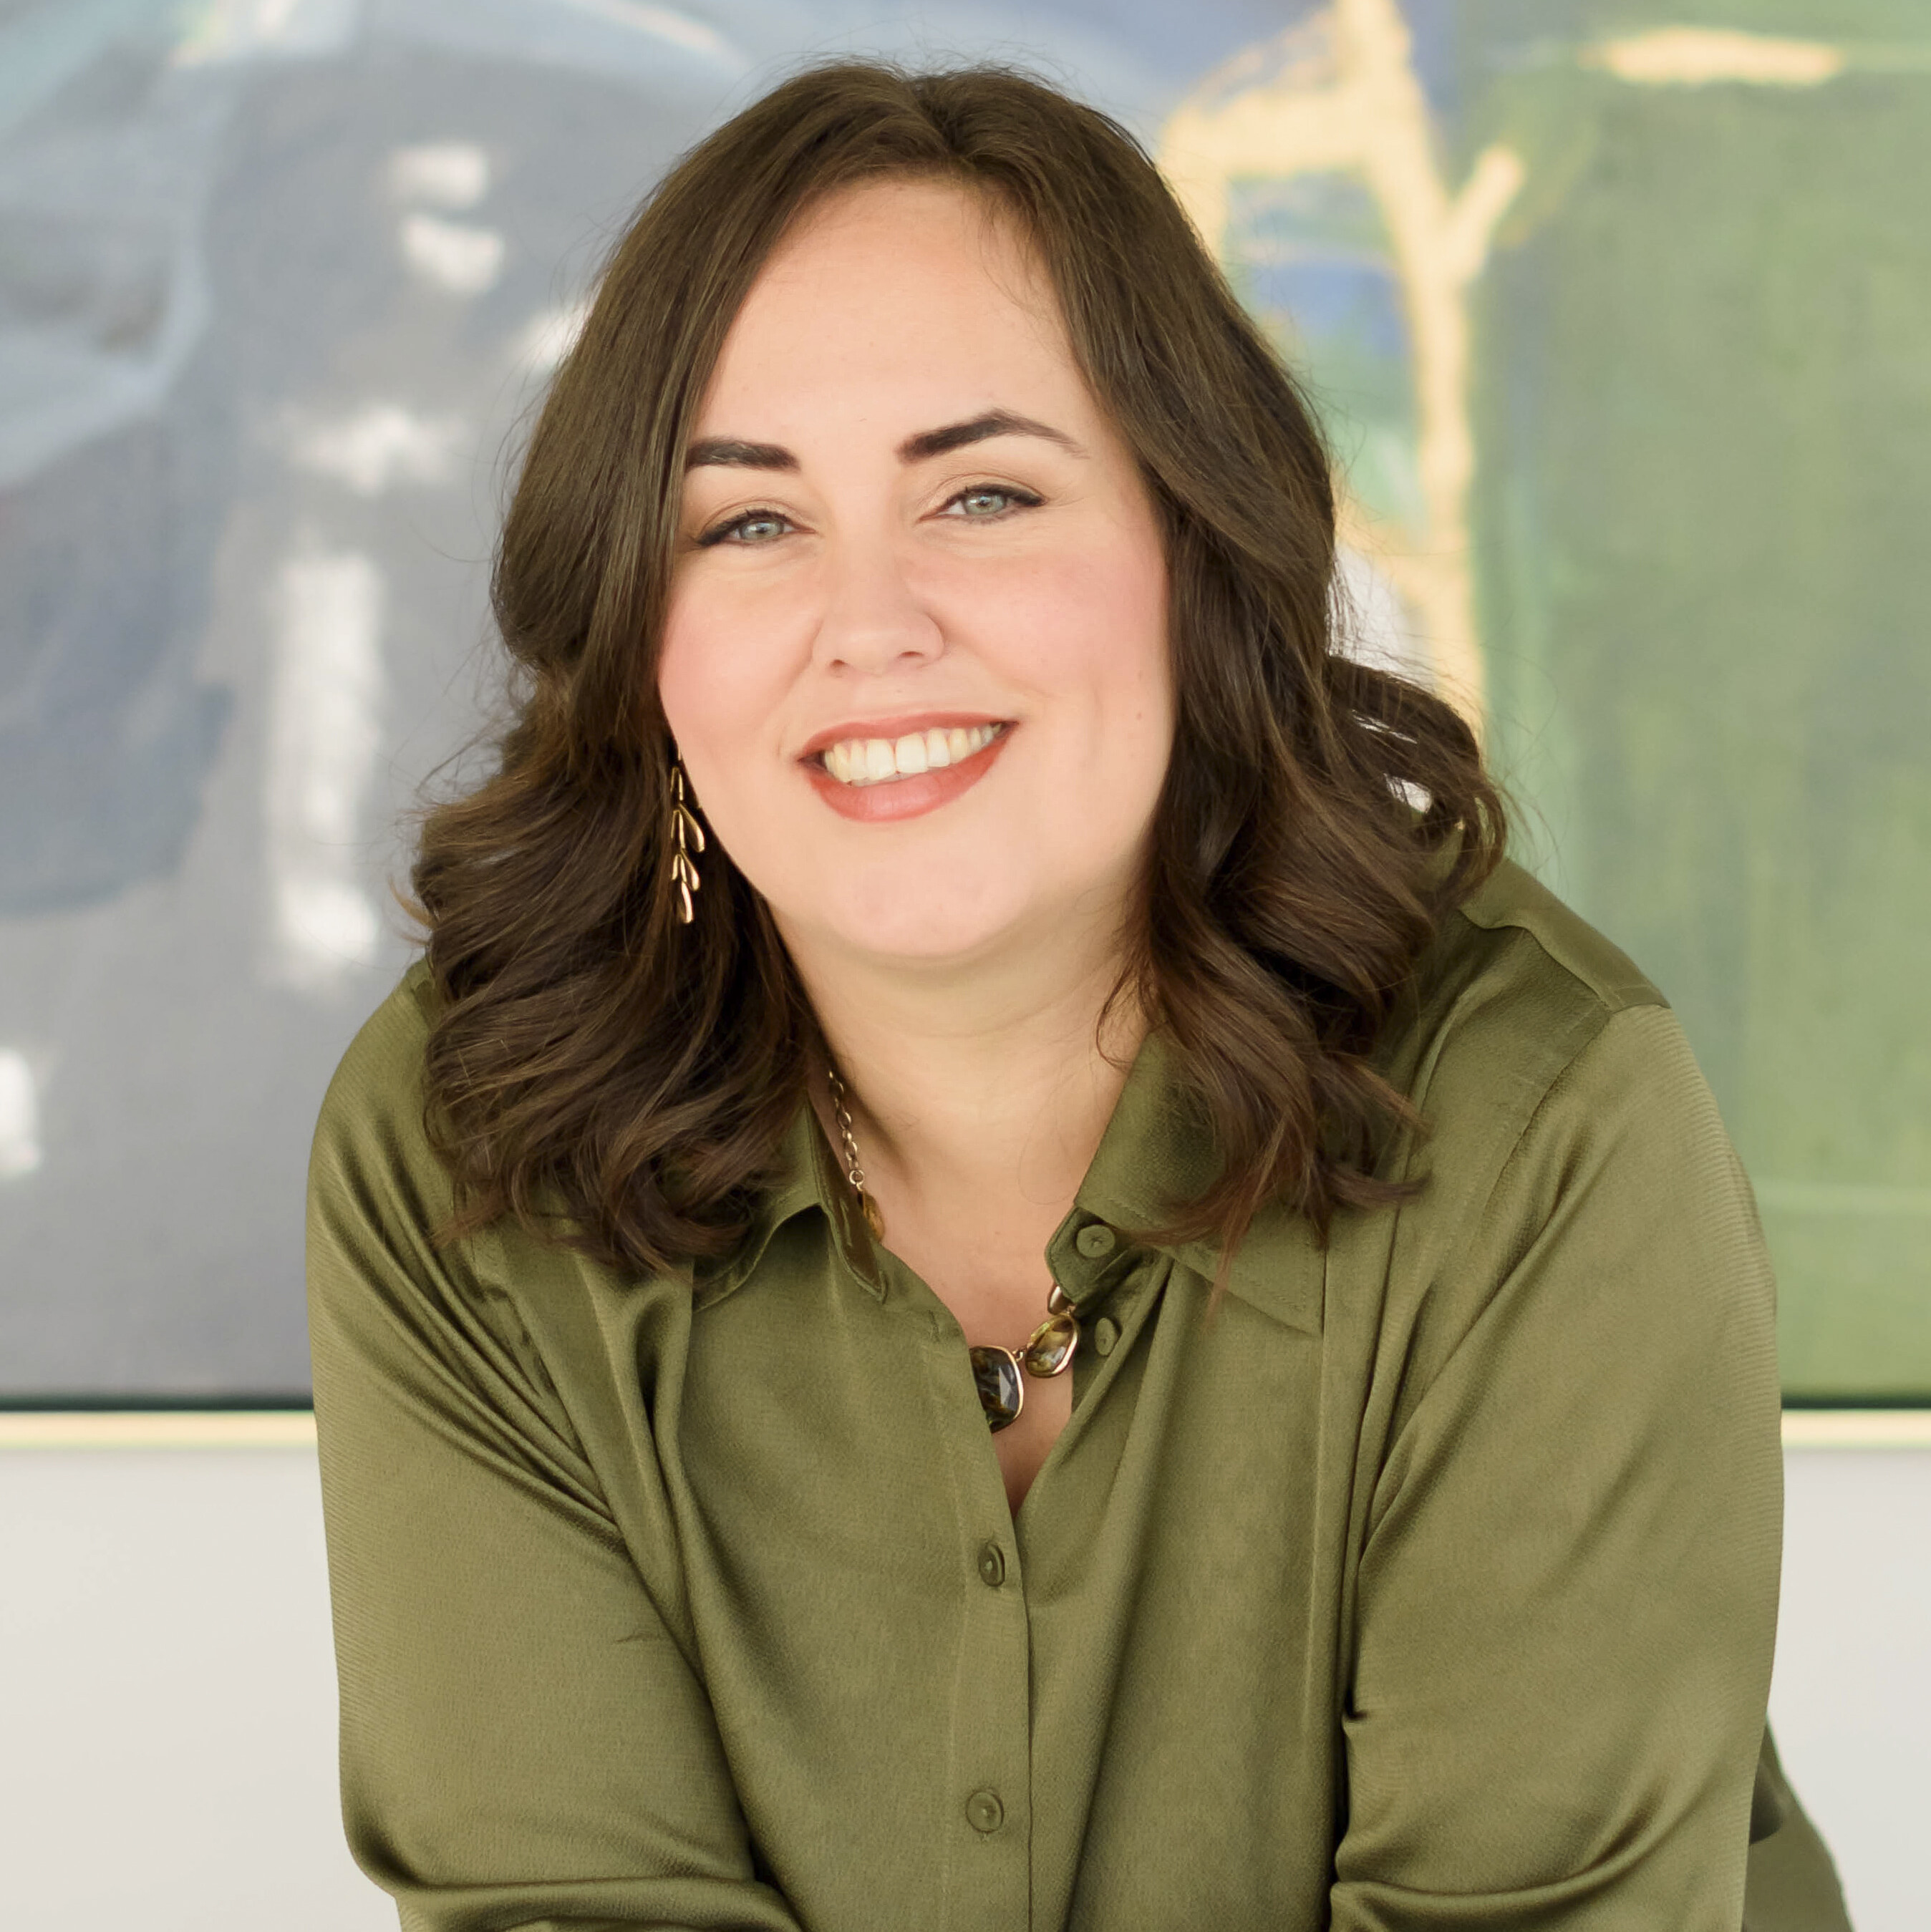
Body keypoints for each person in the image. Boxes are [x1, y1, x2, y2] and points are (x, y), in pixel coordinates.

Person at [306, 57, 1852, 1932]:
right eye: (748, 522)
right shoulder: (469, 1148)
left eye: (979, 493)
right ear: (640, 643)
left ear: (1189, 546)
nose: (870, 625)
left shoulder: (1542, 1121)